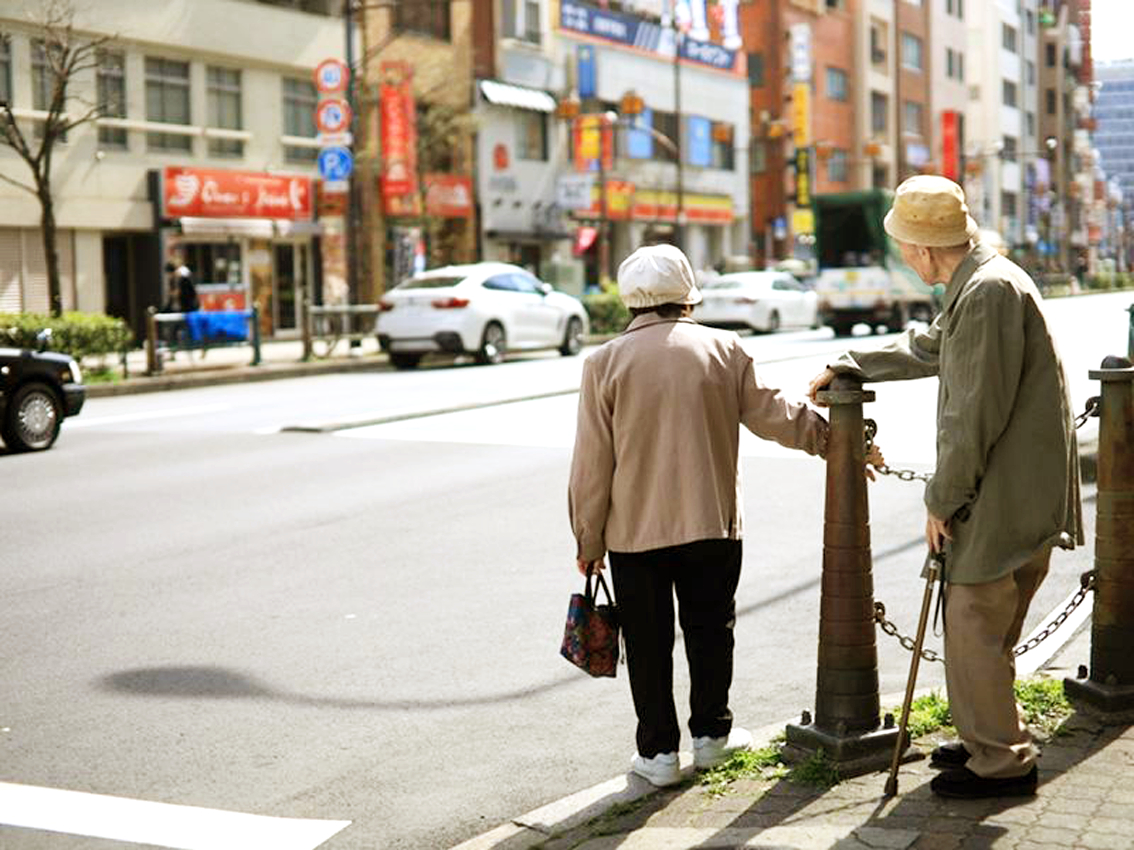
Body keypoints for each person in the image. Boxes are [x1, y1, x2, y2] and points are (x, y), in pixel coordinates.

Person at [808, 175, 1083, 800]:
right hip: (1018, 486)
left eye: (904, 247)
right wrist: (855, 362)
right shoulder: (987, 282)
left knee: (972, 623)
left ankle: (1003, 763)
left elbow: (973, 415)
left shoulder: (985, 294)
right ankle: (987, 736)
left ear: (925, 249)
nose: (903, 259)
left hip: (1004, 493)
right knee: (985, 627)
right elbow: (934, 347)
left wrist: (941, 499)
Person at [569, 244, 869, 788]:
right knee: (711, 629)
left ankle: (658, 754)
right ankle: (712, 738)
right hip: (712, 522)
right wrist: (833, 440)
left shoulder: (603, 363)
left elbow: (592, 464)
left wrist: (589, 541)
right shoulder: (722, 348)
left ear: (630, 301)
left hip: (634, 533)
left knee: (648, 640)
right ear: (687, 297)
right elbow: (774, 414)